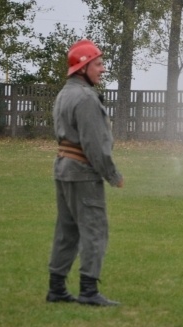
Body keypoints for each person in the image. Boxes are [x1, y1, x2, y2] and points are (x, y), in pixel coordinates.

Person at [46, 39, 125, 307]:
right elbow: (94, 145)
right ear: (82, 68)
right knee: (94, 230)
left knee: (66, 231)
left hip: (63, 169)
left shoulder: (65, 93)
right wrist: (112, 174)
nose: (102, 69)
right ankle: (89, 291)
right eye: (98, 64)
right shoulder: (86, 98)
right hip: (83, 173)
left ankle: (56, 287)